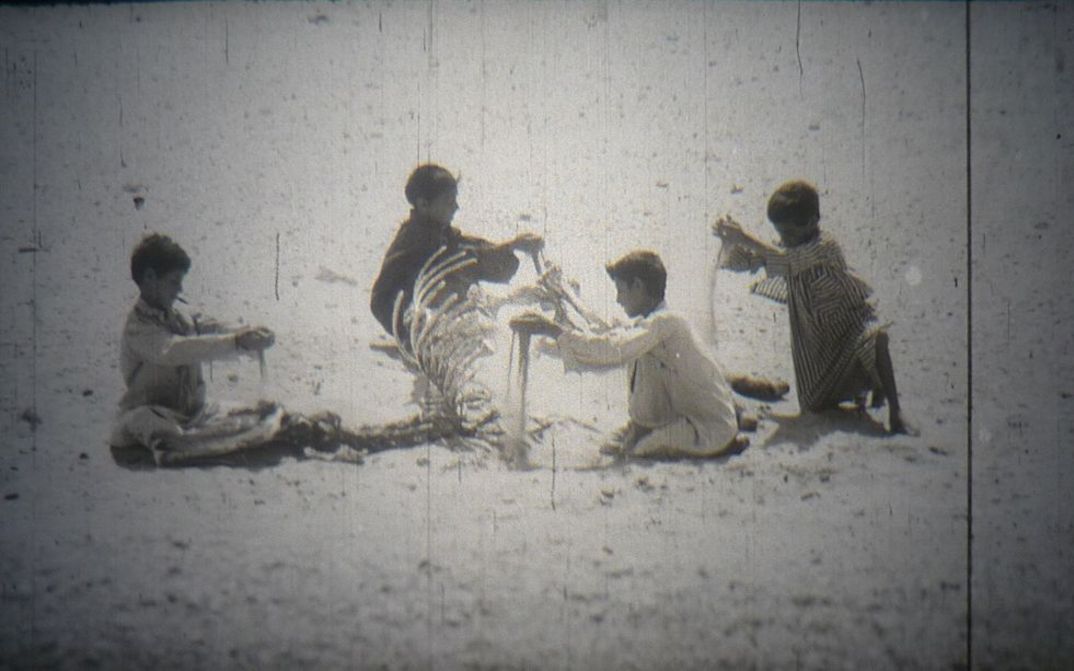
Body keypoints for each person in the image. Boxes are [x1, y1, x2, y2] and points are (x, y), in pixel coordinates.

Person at [713, 179, 910, 434]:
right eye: (781, 233)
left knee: (875, 338)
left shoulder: (825, 246)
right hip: (816, 343)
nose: (785, 238)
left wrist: (746, 237)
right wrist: (729, 240)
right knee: (813, 404)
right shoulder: (788, 245)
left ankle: (896, 411)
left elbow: (787, 260)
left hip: (850, 326)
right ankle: (872, 383)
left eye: (791, 232)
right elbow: (741, 262)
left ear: (813, 220)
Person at [511, 250, 745, 459]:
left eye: (621, 290)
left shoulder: (665, 323)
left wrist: (554, 330)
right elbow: (607, 347)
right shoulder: (651, 325)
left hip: (706, 425)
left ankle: (726, 443)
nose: (618, 299)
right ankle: (646, 428)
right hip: (677, 415)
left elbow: (614, 350)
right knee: (614, 446)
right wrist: (549, 343)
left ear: (638, 287)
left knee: (637, 452)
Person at [109, 233, 277, 463]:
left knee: (260, 412)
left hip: (194, 413)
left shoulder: (178, 316)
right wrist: (236, 342)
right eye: (173, 282)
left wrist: (247, 332)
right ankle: (183, 446)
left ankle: (200, 440)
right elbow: (173, 350)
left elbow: (210, 326)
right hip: (154, 412)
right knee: (145, 422)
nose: (179, 290)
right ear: (149, 277)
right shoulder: (138, 328)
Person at [369, 163, 544, 339]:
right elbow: (380, 300)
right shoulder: (413, 242)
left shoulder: (443, 235)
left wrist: (512, 247)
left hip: (451, 333)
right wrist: (411, 331)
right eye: (448, 201)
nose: (456, 207)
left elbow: (474, 252)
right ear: (423, 204)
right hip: (434, 345)